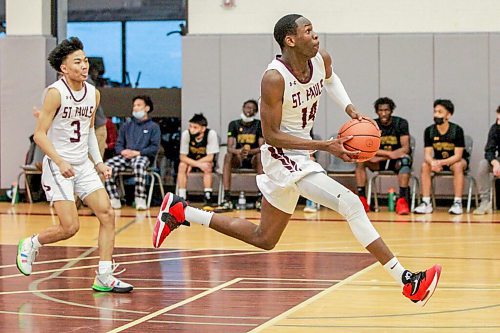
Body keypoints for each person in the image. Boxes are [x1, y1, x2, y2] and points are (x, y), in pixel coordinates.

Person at [153, 14, 441, 306]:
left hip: (301, 151)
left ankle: (182, 212)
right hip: (282, 156)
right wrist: (324, 146)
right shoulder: (274, 78)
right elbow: (272, 135)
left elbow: (331, 80)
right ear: (290, 40)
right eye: (308, 31)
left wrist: (350, 109)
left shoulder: (320, 58)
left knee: (264, 238)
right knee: (351, 204)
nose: (315, 36)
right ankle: (407, 281)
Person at [16, 37, 133, 293]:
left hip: (83, 165)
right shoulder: (55, 93)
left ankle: (104, 275)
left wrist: (99, 163)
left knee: (107, 213)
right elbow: (39, 135)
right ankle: (32, 243)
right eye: (77, 61)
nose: (84, 65)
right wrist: (59, 160)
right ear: (64, 69)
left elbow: (90, 131)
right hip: (59, 166)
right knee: (70, 227)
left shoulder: (94, 92)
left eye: (86, 60)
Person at [355, 97, 412, 215]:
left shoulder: (401, 123)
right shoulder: (373, 125)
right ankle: (362, 199)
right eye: (381, 110)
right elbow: (366, 148)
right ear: (376, 112)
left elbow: (405, 148)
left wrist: (383, 155)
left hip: (395, 162)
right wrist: (390, 154)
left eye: (386, 110)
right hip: (380, 161)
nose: (384, 113)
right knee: (360, 159)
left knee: (405, 161)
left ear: (391, 111)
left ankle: (402, 201)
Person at [104, 95, 161, 210]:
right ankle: (113, 198)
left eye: (139, 105)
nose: (135, 108)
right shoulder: (126, 126)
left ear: (147, 108)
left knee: (139, 165)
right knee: (107, 167)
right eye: (134, 105)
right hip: (125, 157)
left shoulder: (153, 127)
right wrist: (122, 151)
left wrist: (138, 153)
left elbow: (154, 147)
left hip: (142, 157)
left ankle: (140, 198)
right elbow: (118, 144)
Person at [414, 99, 469, 215]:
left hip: (454, 161)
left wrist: (441, 163)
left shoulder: (456, 130)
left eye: (440, 112)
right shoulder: (429, 131)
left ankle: (457, 203)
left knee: (458, 165)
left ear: (448, 115)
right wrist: (433, 162)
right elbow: (427, 154)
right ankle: (426, 202)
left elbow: (458, 156)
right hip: (438, 161)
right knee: (425, 165)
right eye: (435, 112)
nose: (436, 115)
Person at [217, 99, 264, 211]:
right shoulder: (233, 124)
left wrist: (250, 152)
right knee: (227, 156)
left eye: (253, 108)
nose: (249, 110)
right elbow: (229, 147)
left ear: (256, 111)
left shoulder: (259, 124)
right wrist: (238, 151)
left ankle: (260, 198)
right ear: (243, 108)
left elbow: (262, 147)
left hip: (253, 157)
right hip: (238, 158)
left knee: (261, 156)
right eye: (248, 107)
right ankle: (227, 198)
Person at [177, 113, 219, 206]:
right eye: (190, 126)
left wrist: (193, 165)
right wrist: (196, 164)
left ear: (203, 128)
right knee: (182, 165)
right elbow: (182, 157)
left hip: (204, 161)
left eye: (195, 127)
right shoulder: (186, 134)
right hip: (191, 161)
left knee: (208, 166)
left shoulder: (211, 134)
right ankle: (182, 196)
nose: (191, 129)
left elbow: (210, 157)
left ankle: (208, 195)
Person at [473, 105, 500, 214]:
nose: (499, 122)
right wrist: (495, 163)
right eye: (498, 119)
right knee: (483, 164)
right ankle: (485, 201)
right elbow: (489, 150)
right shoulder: (495, 128)